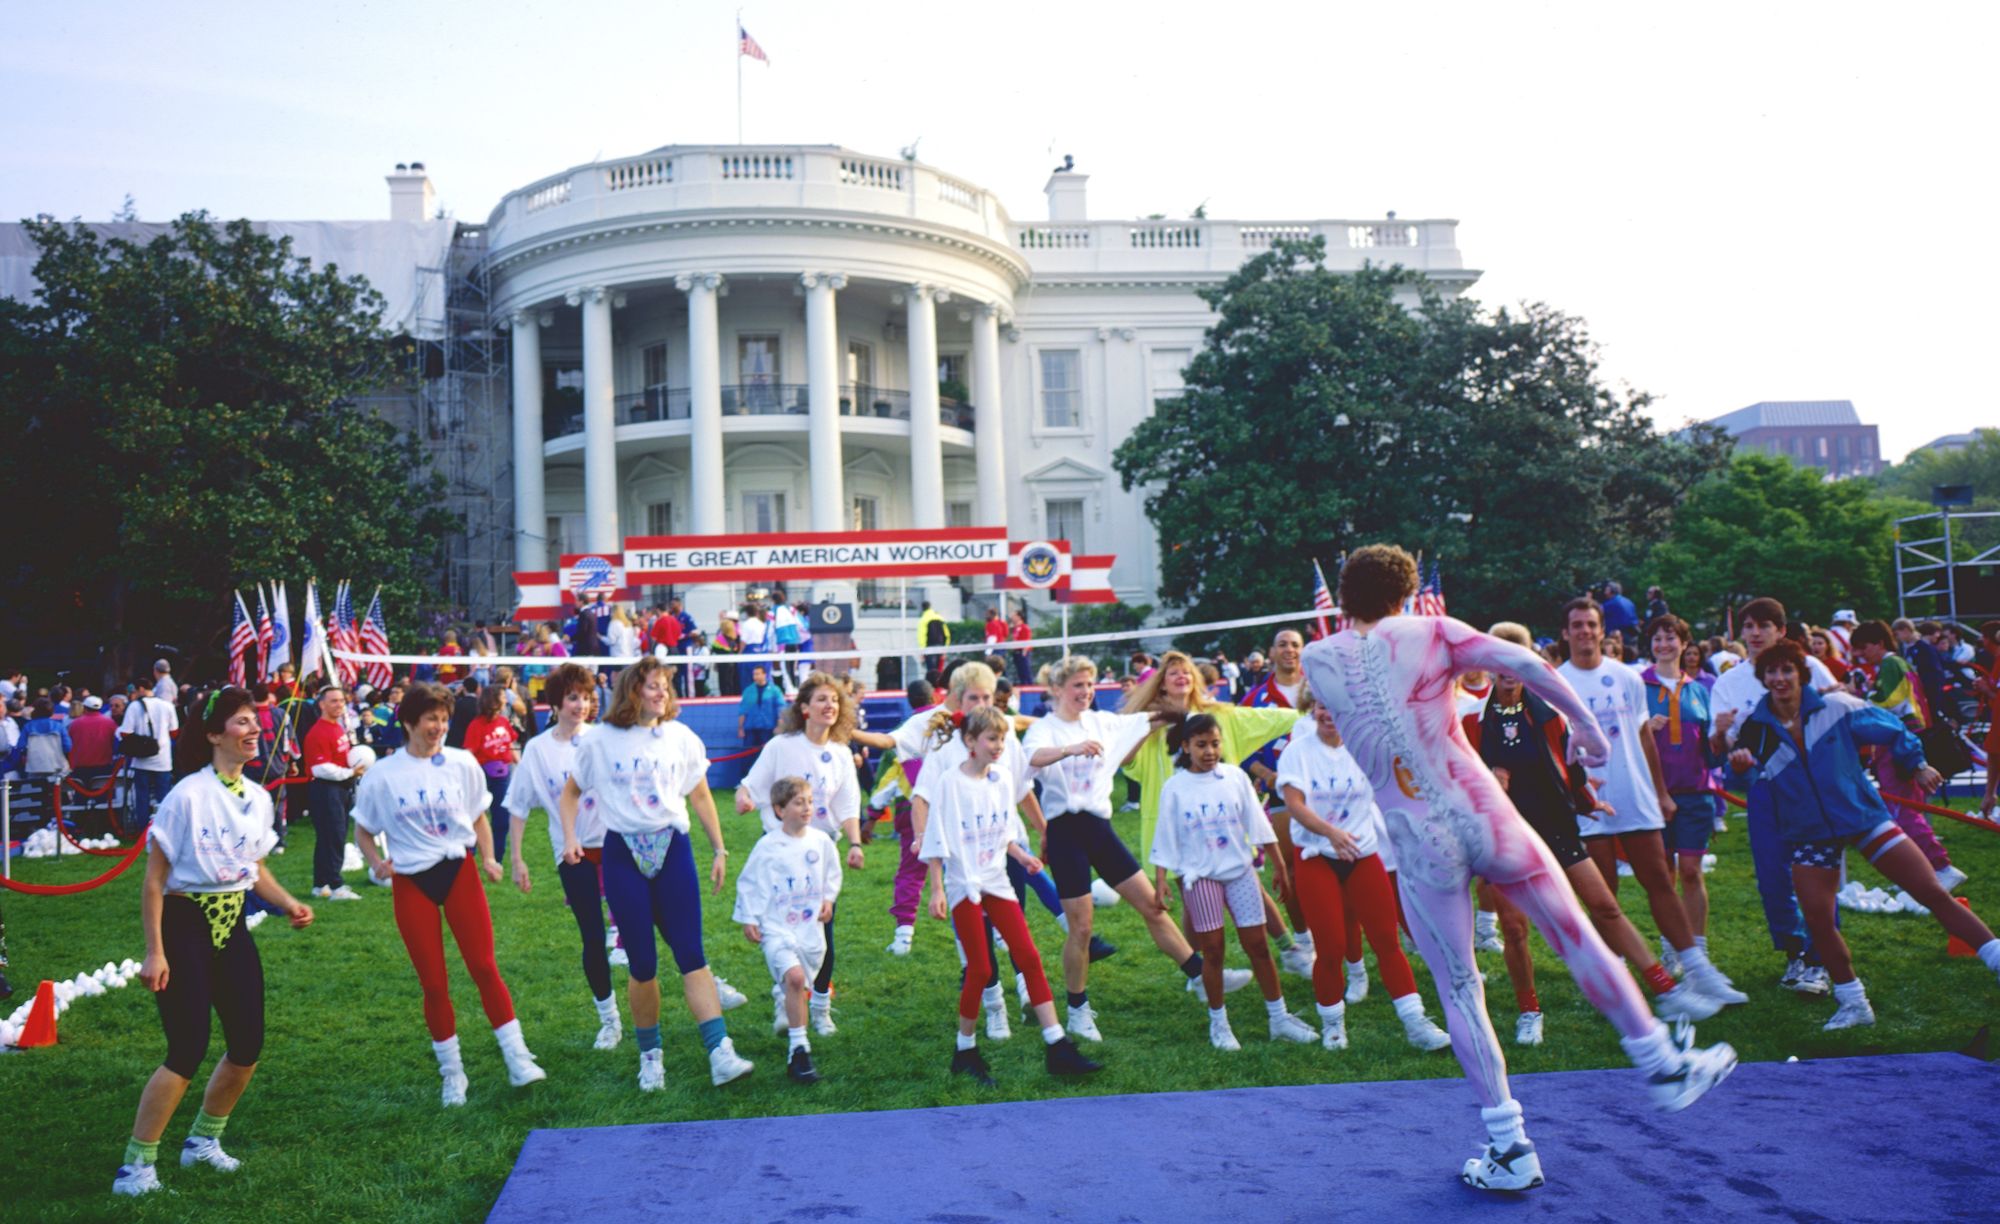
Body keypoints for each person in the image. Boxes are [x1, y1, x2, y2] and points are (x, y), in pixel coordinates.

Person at [1301, 545, 1735, 1194]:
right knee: (1576, 935)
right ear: (1410, 593)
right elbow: (1524, 661)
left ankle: (1508, 1142)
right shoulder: (1434, 631)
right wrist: (1586, 730)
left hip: (1416, 836)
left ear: (1344, 596)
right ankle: (1660, 1060)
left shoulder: (1319, 657)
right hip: (1479, 809)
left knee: (1459, 987)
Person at [1470, 622, 1720, 1046]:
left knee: (1604, 907)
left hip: (1555, 825)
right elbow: (1463, 778)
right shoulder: (1475, 719)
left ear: (1528, 663)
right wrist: (1489, 782)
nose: (1507, 667)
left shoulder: (1550, 710)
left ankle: (1666, 989)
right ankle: (1529, 1010)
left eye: (1516, 657)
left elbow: (1568, 766)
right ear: (1488, 664)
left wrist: (1588, 797)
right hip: (1505, 834)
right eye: (1499, 657)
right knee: (1513, 929)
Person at [1729, 640, 2000, 1028]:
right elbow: (1742, 773)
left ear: (1801, 674)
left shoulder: (1837, 706)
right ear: (1763, 678)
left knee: (1932, 892)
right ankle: (1853, 1002)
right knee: (1818, 921)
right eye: (1771, 671)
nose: (1779, 678)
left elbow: (1892, 727)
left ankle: (1995, 957)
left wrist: (1918, 763)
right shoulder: (1756, 729)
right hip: (1809, 831)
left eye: (1787, 669)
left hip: (1861, 816)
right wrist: (1737, 764)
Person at [112, 687, 314, 1198]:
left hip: (233, 924)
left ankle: (203, 1140)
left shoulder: (259, 797)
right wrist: (155, 951)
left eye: (255, 722)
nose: (254, 730)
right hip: (184, 925)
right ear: (213, 735)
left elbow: (255, 869)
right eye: (242, 722)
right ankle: (136, 1168)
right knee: (187, 1047)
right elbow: (154, 882)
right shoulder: (188, 795)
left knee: (247, 1044)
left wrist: (288, 902)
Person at [559, 658, 753, 1090]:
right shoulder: (601, 740)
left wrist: (719, 848)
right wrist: (570, 836)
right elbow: (571, 792)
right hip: (623, 852)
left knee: (691, 952)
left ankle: (720, 1051)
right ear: (632, 691)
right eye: (652, 686)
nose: (661, 693)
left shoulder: (680, 737)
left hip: (673, 846)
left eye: (665, 686)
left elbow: (701, 794)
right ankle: (651, 1056)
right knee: (642, 962)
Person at [355, 682, 545, 1106]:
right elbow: (363, 829)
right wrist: (375, 861)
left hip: (458, 870)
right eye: (430, 720)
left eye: (443, 719)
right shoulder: (383, 776)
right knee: (434, 983)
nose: (438, 727)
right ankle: (452, 1074)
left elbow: (478, 814)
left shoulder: (461, 763)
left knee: (483, 965)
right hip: (411, 880)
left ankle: (517, 1057)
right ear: (408, 722)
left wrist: (491, 858)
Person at [1023, 656, 1224, 1040]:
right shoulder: (1044, 729)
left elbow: (1159, 716)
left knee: (1152, 904)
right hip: (1065, 832)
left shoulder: (1104, 722)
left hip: (1099, 828)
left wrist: (1179, 702)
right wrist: (1070, 749)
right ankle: (1078, 1009)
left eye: (1090, 685)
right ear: (1058, 690)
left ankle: (1199, 975)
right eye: (1077, 686)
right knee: (1081, 928)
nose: (1085, 692)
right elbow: (1033, 757)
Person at [1561, 598, 1747, 1007]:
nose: (1584, 632)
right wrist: (1572, 796)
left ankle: (1698, 969)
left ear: (1602, 630)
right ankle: (1610, 977)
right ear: (1565, 633)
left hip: (1635, 796)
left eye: (1591, 624)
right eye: (1576, 625)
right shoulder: (1556, 680)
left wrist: (1659, 792)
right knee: (1604, 895)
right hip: (1588, 803)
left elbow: (1645, 738)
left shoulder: (1626, 677)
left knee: (1661, 881)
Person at [922, 706, 1102, 1085]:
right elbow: (937, 838)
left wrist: (1023, 855)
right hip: (965, 883)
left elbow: (1005, 831)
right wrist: (937, 889)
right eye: (991, 738)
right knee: (981, 968)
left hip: (995, 878)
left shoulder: (1003, 778)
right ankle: (965, 1049)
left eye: (1002, 738)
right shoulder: (950, 784)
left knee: (1029, 957)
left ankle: (1057, 1046)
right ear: (969, 742)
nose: (999, 745)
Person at [1278, 695, 1454, 1052]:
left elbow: (1402, 788)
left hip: (1362, 854)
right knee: (1331, 948)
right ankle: (1333, 1026)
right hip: (1317, 855)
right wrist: (1331, 833)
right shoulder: (1298, 751)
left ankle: (1415, 1023)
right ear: (1314, 709)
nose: (1329, 714)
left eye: (1336, 705)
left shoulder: (1368, 747)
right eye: (1323, 706)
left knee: (1387, 941)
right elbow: (1294, 805)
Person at [1152, 714, 1320, 1051]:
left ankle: (1280, 1018)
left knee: (1258, 945)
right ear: (1186, 747)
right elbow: (1166, 835)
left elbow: (1257, 823)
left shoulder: (1235, 777)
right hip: (1201, 877)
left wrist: (1277, 865)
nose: (1210, 751)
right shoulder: (1176, 787)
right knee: (1213, 951)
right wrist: (1161, 880)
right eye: (1201, 745)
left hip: (1240, 872)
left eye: (1215, 743)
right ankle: (1220, 1023)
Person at [1709, 597, 1839, 994]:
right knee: (1772, 878)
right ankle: (1796, 952)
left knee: (1817, 876)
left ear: (1781, 631)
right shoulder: (1729, 681)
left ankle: (1822, 958)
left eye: (1764, 626)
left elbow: (1838, 718)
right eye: (1748, 626)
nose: (1754, 633)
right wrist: (1722, 735)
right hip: (1764, 788)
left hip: (1813, 789)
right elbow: (1717, 749)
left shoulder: (1810, 667)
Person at [735, 672, 868, 1036]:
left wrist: (855, 844)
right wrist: (745, 798)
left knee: (823, 935)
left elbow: (848, 804)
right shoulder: (781, 746)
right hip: (781, 855)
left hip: (820, 855)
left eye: (835, 701)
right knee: (781, 930)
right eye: (822, 699)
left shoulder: (841, 754)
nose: (830, 706)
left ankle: (821, 1008)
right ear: (804, 708)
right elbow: (750, 785)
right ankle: (787, 997)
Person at [506, 662, 622, 1050]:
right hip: (572, 853)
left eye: (587, 698)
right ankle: (609, 1019)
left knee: (652, 922)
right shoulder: (538, 751)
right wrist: (517, 859)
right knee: (592, 936)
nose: (582, 705)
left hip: (618, 845)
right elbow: (518, 807)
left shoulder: (605, 738)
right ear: (555, 703)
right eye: (573, 697)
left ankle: (703, 979)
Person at [733, 775, 843, 1084]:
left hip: (809, 930)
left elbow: (832, 874)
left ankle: (786, 1005)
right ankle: (799, 1051)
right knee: (795, 979)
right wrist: (749, 918)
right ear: (780, 810)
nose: (807, 808)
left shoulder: (821, 842)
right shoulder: (768, 846)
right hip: (777, 927)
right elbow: (750, 882)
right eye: (798, 802)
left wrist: (828, 900)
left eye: (809, 801)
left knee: (800, 983)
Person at [1641, 615, 1727, 975]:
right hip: (1650, 795)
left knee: (1692, 871)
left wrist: (1720, 735)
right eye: (1658, 638)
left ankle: (1699, 952)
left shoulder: (1700, 690)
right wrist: (1642, 730)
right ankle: (1672, 948)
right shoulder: (1637, 686)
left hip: (1696, 793)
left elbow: (1713, 756)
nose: (1664, 644)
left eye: (1671, 638)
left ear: (1685, 644)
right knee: (1664, 877)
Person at [1851, 621, 1964, 890]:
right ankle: (1924, 872)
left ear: (1879, 643)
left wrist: (1854, 702)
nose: (1859, 654)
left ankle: (1942, 867)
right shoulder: (1895, 664)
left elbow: (1888, 702)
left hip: (1898, 744)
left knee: (1904, 811)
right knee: (1905, 809)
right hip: (1901, 742)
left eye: (1863, 647)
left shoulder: (1892, 665)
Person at [1238, 627, 1319, 977]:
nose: (1289, 650)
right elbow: (1238, 747)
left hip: (1325, 793)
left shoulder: (1319, 690)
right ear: (1270, 653)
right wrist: (1265, 774)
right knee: (1291, 869)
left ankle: (1347, 947)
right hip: (1282, 797)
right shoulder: (1255, 698)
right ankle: (1305, 940)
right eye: (1282, 645)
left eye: (1296, 645)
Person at [302, 686, 365, 902]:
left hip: (340, 788)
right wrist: (350, 772)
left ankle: (321, 884)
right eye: (333, 701)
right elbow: (319, 768)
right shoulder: (318, 732)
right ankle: (336, 885)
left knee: (330, 837)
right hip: (326, 789)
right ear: (322, 704)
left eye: (341, 701)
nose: (339, 705)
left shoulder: (337, 728)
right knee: (334, 836)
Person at [462, 685, 520, 863]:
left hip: (502, 775)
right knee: (475, 815)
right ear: (493, 700)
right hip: (482, 775)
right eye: (503, 697)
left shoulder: (503, 722)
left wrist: (522, 766)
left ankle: (497, 858)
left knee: (502, 818)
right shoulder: (476, 725)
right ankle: (469, 854)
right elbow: (468, 754)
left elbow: (511, 745)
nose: (506, 700)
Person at [120, 677, 179, 834]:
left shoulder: (134, 707)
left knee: (142, 796)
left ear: (140, 688)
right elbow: (174, 732)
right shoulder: (167, 706)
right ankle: (165, 828)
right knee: (164, 796)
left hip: (142, 758)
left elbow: (125, 732)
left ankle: (143, 829)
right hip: (163, 757)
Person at [737, 665, 785, 749]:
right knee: (748, 756)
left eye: (758, 674)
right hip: (751, 728)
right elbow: (743, 711)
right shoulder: (748, 691)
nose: (755, 676)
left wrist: (779, 726)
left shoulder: (774, 690)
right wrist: (740, 728)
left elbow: (781, 708)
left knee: (768, 754)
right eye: (754, 674)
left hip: (768, 728)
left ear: (764, 674)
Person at [1599, 581, 1639, 657]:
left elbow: (1597, 612)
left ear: (1611, 591)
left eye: (1606, 589)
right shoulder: (1629, 602)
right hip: (1633, 635)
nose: (1604, 592)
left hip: (1617, 636)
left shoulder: (1610, 604)